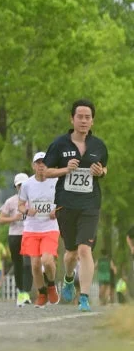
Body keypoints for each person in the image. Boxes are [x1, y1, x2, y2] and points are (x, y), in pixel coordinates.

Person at [42, 99, 109, 312]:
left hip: (90, 204)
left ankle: (85, 296)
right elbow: (45, 171)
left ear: (92, 121)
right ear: (72, 119)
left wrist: (102, 172)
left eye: (87, 117)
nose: (83, 120)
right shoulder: (60, 144)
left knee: (84, 249)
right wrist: (64, 170)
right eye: (79, 116)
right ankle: (69, 278)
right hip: (66, 204)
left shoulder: (99, 146)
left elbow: (104, 169)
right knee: (70, 253)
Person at [19, 153, 60, 306]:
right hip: (31, 228)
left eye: (44, 162)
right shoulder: (27, 184)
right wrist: (26, 210)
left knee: (47, 261)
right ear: (33, 165)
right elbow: (21, 205)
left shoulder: (56, 181)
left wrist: (57, 210)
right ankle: (41, 293)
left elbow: (64, 201)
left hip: (50, 227)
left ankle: (51, 285)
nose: (41, 165)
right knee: (35, 264)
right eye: (38, 163)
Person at [0, 172, 33, 307]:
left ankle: (27, 292)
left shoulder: (33, 200)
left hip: (29, 234)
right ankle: (21, 292)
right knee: (17, 264)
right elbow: (1, 220)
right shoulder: (10, 201)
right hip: (14, 235)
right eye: (19, 185)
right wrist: (13, 218)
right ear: (16, 186)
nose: (22, 187)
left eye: (24, 185)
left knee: (28, 263)